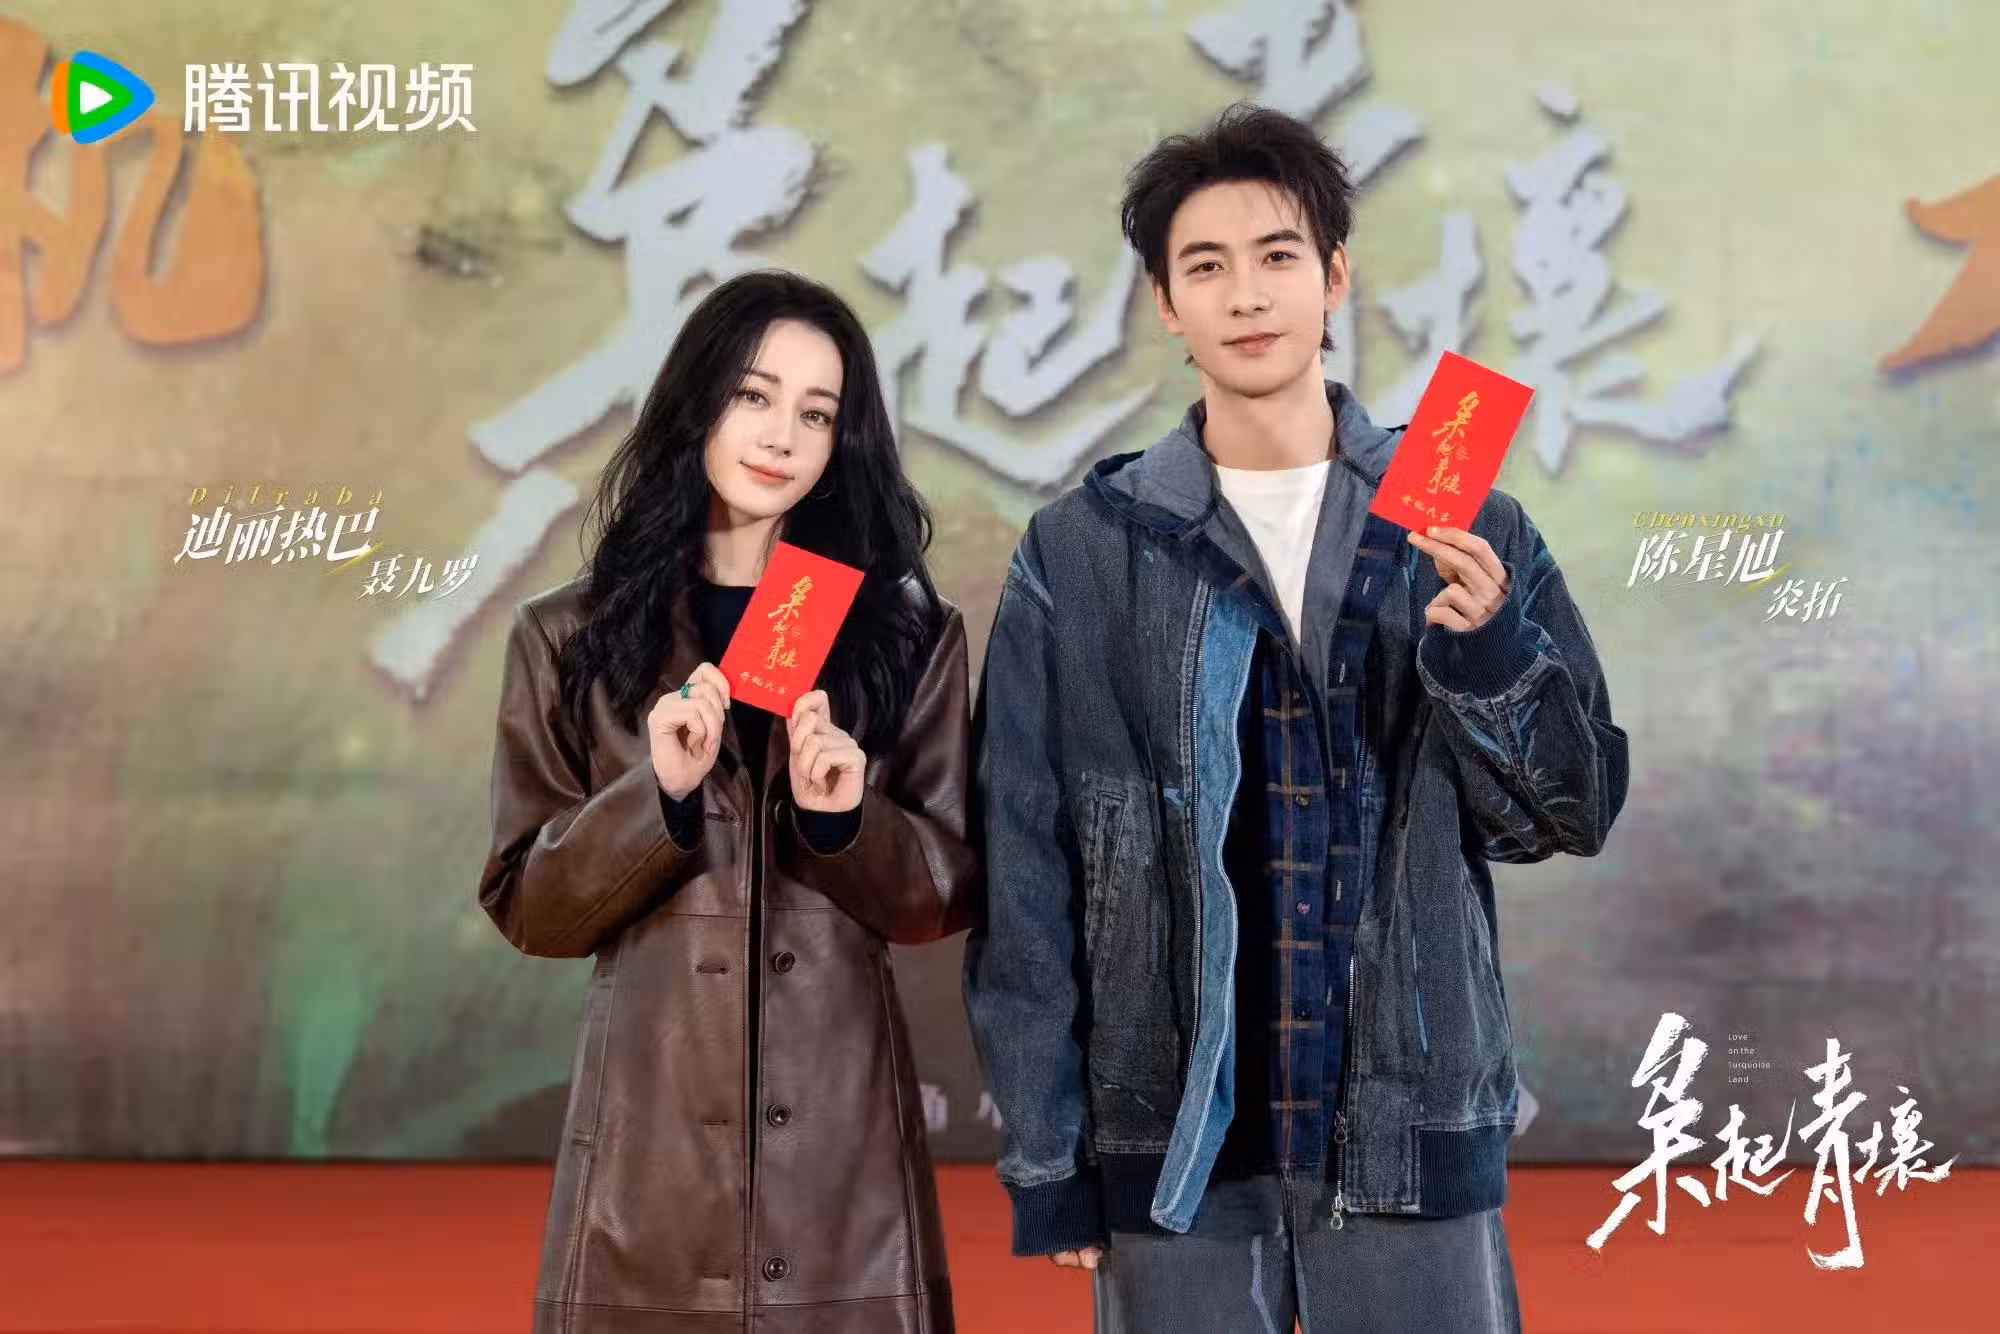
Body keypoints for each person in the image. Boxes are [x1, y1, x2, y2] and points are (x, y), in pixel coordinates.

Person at [964, 103, 1629, 1333]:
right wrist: (1050, 1156)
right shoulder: (1082, 547)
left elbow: (1570, 813)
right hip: (1172, 1136)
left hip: (1404, 1115)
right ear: (1164, 304)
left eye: (1275, 255)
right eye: (1203, 266)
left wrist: (1486, 652)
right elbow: (1026, 862)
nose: (1244, 294)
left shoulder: (1463, 519)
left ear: (1332, 276)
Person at [480, 269, 975, 1334]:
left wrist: (844, 821)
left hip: (843, 1166)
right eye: (754, 395)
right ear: (696, 401)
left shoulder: (905, 636)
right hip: (644, 1163)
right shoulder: (567, 635)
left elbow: (939, 894)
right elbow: (529, 904)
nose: (781, 435)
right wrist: (653, 796)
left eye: (817, 412)